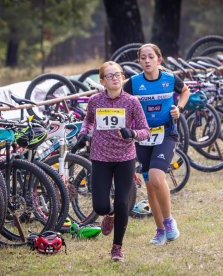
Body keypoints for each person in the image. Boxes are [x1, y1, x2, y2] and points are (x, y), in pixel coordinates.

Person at [76, 61, 150, 262]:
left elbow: (145, 131)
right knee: (100, 205)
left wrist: (132, 133)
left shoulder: (132, 101)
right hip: (100, 156)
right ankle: (108, 214)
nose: (115, 78)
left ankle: (117, 248)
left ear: (123, 77)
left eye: (118, 74)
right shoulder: (95, 101)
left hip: (125, 157)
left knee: (121, 202)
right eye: (110, 76)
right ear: (102, 81)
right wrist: (84, 133)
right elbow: (88, 120)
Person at [123, 43, 190, 245]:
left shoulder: (169, 78)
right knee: (150, 185)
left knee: (155, 175)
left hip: (166, 133)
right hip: (142, 136)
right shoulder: (133, 82)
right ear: (139, 61)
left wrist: (179, 108)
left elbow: (186, 91)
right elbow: (118, 95)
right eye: (143, 58)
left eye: (150, 57)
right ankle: (160, 230)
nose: (147, 61)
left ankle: (169, 221)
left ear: (159, 60)